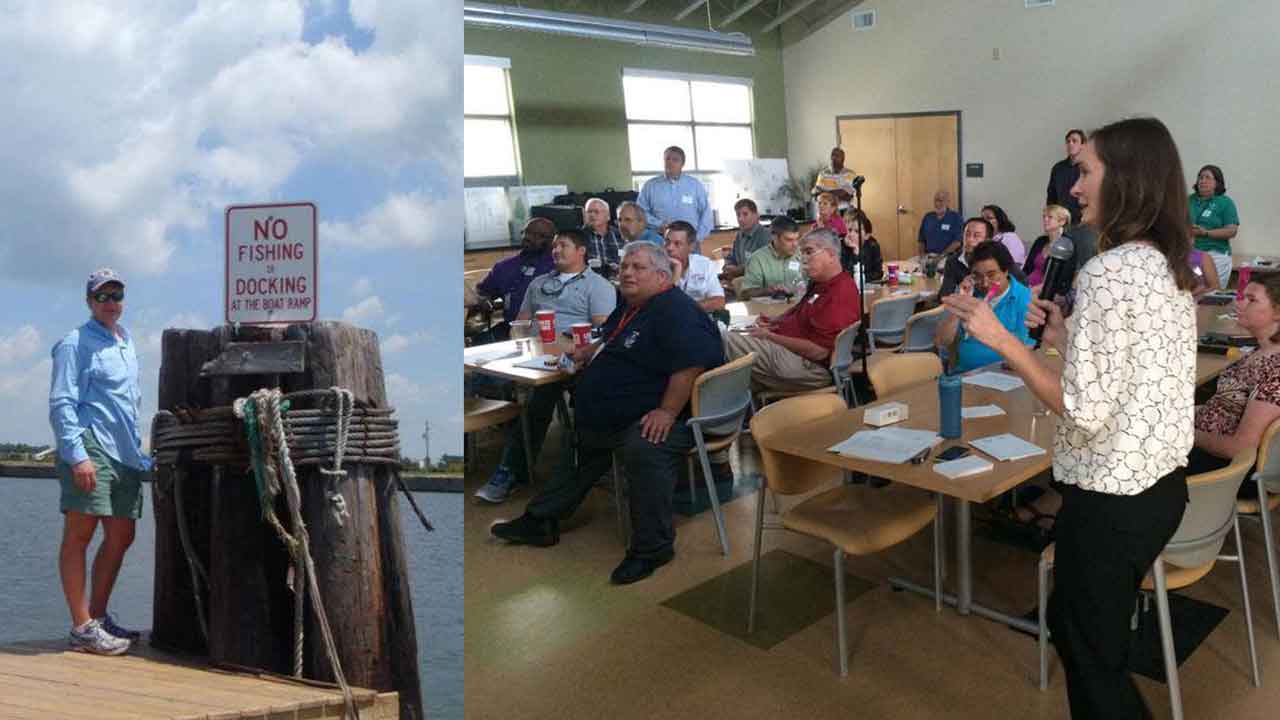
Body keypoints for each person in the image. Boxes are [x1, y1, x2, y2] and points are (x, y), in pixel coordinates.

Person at [943, 117, 1198, 718]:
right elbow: (1130, 373)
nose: (1074, 187)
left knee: (1092, 660)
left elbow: (1084, 411)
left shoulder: (1109, 272)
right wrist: (1065, 335)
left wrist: (1004, 341)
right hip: (1156, 490)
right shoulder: (1166, 264)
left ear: (1127, 179)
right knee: (1078, 626)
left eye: (1085, 172)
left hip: (1111, 497)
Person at [490, 242, 725, 585]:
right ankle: (543, 520)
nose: (626, 273)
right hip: (617, 412)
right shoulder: (634, 306)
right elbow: (612, 337)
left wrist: (666, 411)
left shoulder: (677, 312)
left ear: (662, 276)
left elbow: (690, 366)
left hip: (675, 417)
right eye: (624, 267)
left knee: (644, 447)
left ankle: (652, 548)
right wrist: (587, 351)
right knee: (583, 437)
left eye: (637, 268)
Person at [49, 268, 151, 656]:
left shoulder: (125, 340)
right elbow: (62, 402)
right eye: (102, 296)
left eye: (117, 295)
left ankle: (98, 615)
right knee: (79, 535)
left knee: (123, 535)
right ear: (89, 301)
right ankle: (81, 627)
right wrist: (77, 456)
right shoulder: (75, 343)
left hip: (125, 453)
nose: (111, 303)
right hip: (91, 447)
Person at [474, 229, 618, 503]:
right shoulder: (538, 283)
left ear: (581, 251)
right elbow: (522, 323)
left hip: (576, 360)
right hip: (533, 355)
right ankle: (488, 453)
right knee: (478, 379)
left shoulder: (598, 286)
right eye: (554, 246)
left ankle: (510, 472)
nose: (556, 251)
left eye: (563, 245)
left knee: (539, 398)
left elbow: (604, 332)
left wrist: (569, 346)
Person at [723, 228, 860, 393]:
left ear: (831, 255)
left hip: (810, 368)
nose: (804, 259)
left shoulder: (838, 293)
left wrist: (771, 337)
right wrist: (775, 321)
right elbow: (800, 311)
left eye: (809, 252)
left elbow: (819, 351)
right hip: (792, 357)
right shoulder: (821, 284)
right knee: (735, 345)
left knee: (724, 339)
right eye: (802, 253)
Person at [934, 242, 1033, 373]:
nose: (985, 283)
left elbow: (1028, 350)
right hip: (965, 376)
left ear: (1005, 271)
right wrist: (960, 306)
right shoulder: (971, 294)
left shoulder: (1025, 298)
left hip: (1004, 377)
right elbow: (941, 342)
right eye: (978, 276)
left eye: (991, 275)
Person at [473, 217, 557, 334]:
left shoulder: (559, 266)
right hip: (511, 327)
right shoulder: (504, 267)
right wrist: (484, 300)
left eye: (538, 235)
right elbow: (482, 292)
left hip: (550, 328)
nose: (528, 237)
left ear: (552, 240)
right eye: (526, 232)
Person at [636, 145, 713, 247]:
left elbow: (706, 213)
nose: (670, 162)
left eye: (675, 160)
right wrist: (658, 224)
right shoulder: (650, 186)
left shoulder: (695, 185)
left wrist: (697, 238)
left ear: (682, 163)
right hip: (661, 242)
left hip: (689, 243)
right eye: (667, 159)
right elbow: (639, 212)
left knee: (691, 263)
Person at [1189, 164, 1240, 289]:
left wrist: (1206, 233)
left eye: (1207, 178)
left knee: (1212, 293)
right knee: (1194, 291)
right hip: (1193, 254)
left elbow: (1231, 231)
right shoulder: (1189, 200)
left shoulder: (1225, 202)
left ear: (1217, 183)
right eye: (1200, 177)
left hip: (1216, 254)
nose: (1202, 181)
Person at [664, 221, 725, 314]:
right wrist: (676, 272)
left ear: (691, 247)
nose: (669, 248)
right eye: (667, 242)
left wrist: (684, 308)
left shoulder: (704, 264)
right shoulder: (656, 267)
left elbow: (719, 302)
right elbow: (666, 307)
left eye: (677, 244)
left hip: (699, 320)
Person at [738, 216, 804, 301]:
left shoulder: (803, 254)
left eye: (797, 239)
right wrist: (768, 290)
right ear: (774, 237)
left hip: (799, 307)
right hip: (770, 310)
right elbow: (745, 294)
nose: (795, 245)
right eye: (789, 240)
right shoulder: (758, 259)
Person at [1023, 204, 1077, 294]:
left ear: (1062, 221)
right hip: (1027, 286)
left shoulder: (1067, 244)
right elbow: (1026, 269)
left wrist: (1030, 291)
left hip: (1047, 292)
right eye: (1044, 217)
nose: (1045, 220)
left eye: (1050, 217)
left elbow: (1062, 279)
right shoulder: (1040, 241)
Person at [938, 217, 994, 298]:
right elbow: (944, 296)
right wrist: (959, 290)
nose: (969, 239)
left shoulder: (996, 260)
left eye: (976, 236)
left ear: (987, 240)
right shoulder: (953, 261)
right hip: (962, 307)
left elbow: (1005, 287)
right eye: (967, 234)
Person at [720, 198, 771, 281]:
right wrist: (728, 266)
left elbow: (763, 265)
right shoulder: (739, 235)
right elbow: (731, 258)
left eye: (745, 214)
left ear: (756, 215)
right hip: (740, 280)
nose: (740, 219)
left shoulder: (765, 236)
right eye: (738, 215)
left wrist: (738, 270)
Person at [1046, 129, 1086, 224]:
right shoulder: (1058, 168)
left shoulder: (1088, 167)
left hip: (1083, 223)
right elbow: (1052, 196)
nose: (1070, 144)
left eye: (1074, 141)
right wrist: (1051, 217)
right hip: (1062, 222)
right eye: (1068, 141)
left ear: (1083, 145)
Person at [581, 197, 625, 274]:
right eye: (589, 212)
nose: (592, 215)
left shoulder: (621, 235)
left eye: (596, 212)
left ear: (608, 216)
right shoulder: (578, 237)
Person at [840, 209, 883, 283]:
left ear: (867, 235)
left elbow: (878, 273)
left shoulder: (873, 246)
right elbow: (845, 276)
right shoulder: (841, 246)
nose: (851, 234)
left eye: (857, 231)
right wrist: (855, 254)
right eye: (849, 230)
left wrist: (861, 278)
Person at [918, 189, 963, 257]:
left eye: (941, 201)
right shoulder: (928, 217)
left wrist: (940, 256)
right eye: (936, 200)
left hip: (948, 256)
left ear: (948, 202)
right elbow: (921, 239)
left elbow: (957, 242)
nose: (937, 203)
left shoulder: (956, 218)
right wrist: (922, 255)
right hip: (928, 255)